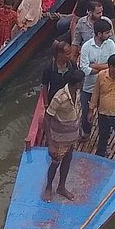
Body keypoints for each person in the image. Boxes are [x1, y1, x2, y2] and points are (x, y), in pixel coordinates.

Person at [43, 69, 84, 201]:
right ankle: (48, 188)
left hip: (72, 137)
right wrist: (50, 144)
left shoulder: (76, 93)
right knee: (55, 163)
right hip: (59, 139)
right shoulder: (59, 97)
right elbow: (47, 118)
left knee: (67, 161)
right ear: (77, 84)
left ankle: (61, 186)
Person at [79, 18, 115, 137]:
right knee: (86, 111)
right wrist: (105, 67)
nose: (110, 35)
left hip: (105, 85)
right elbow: (84, 69)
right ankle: (86, 132)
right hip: (88, 86)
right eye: (107, 33)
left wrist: (94, 66)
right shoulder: (86, 47)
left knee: (105, 112)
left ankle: (105, 134)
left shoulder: (111, 44)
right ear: (99, 34)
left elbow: (113, 65)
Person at [41, 39, 76, 104]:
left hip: (68, 99)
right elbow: (45, 86)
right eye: (67, 54)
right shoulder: (49, 68)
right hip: (54, 99)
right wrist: (46, 103)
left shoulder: (72, 65)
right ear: (60, 54)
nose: (70, 56)